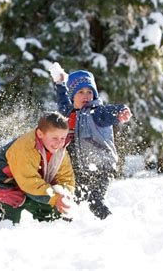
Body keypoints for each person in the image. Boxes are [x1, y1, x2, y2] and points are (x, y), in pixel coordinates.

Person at [54, 70, 132, 219]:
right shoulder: (69, 113)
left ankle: (111, 224)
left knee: (95, 202)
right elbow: (62, 101)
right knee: (69, 201)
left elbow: (110, 111)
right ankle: (67, 228)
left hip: (102, 168)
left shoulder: (97, 113)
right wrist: (60, 84)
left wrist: (121, 111)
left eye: (89, 91)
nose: (86, 96)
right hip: (80, 170)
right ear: (73, 96)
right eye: (80, 92)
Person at [0, 112, 75, 224]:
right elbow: (29, 181)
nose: (59, 143)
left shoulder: (60, 151)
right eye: (55, 137)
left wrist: (64, 195)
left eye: (63, 138)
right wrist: (55, 197)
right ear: (40, 134)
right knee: (11, 219)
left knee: (53, 213)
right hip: (3, 183)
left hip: (31, 184)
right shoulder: (25, 148)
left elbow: (66, 177)